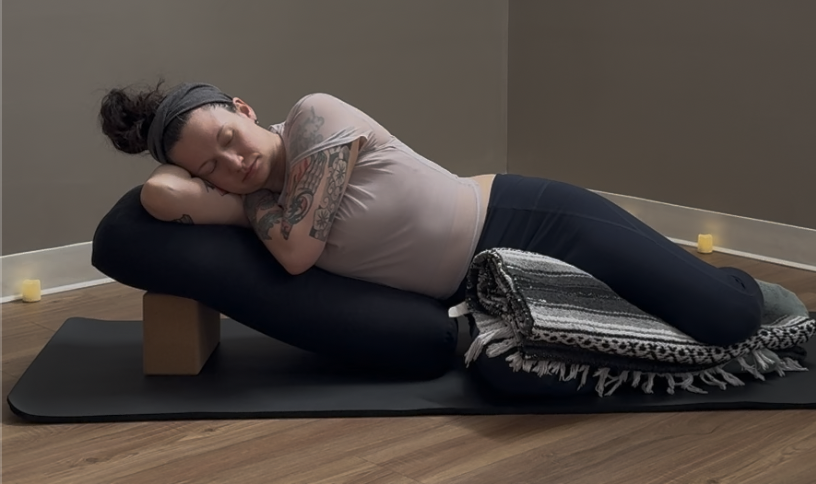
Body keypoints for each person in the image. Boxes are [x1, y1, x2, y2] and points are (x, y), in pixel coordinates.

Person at [99, 80, 765, 347]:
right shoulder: (263, 201)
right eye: (209, 168)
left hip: (525, 217)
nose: (232, 164)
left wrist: (240, 206)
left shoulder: (314, 118)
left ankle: (742, 285)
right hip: (479, 283)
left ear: (244, 110)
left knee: (728, 318)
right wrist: (217, 187)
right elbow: (157, 196)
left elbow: (298, 252)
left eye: (227, 139)